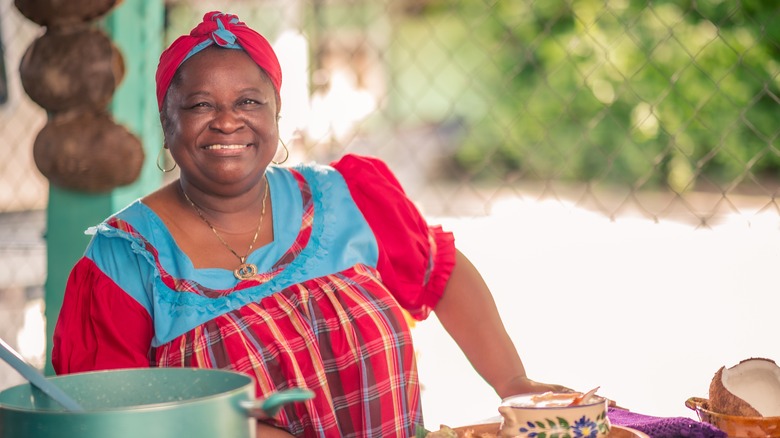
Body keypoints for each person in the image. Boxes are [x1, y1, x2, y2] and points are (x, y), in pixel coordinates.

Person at [51, 11, 571, 438]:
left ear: (277, 116)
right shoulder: (124, 263)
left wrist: (514, 382)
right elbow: (110, 422)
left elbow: (443, 273)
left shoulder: (345, 198)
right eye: (199, 104)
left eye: (249, 101)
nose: (227, 120)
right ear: (167, 124)